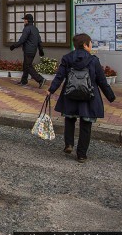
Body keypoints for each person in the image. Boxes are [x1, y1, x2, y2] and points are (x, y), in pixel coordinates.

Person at [47, 33, 116, 163]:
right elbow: (102, 81)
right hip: (88, 96)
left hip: (70, 94)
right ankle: (81, 154)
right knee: (86, 125)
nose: (91, 45)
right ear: (85, 45)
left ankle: (69, 144)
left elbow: (59, 76)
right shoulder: (93, 60)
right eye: (90, 43)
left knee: (69, 119)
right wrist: (110, 96)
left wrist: (51, 90)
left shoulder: (67, 58)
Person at [9, 14, 46, 88]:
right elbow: (39, 41)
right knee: (26, 65)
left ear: (27, 20)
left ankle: (40, 79)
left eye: (24, 19)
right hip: (33, 50)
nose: (24, 21)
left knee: (28, 66)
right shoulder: (35, 29)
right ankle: (24, 81)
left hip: (28, 51)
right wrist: (41, 50)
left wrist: (14, 46)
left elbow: (22, 40)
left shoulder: (27, 29)